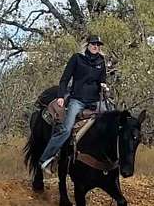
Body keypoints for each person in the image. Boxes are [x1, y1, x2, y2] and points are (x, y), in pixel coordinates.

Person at [39, 34, 107, 173]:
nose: (96, 47)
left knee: (111, 121)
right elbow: (65, 79)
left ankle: (107, 161)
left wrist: (104, 87)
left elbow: (102, 80)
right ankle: (46, 158)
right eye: (93, 44)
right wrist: (60, 96)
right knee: (66, 129)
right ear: (87, 45)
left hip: (95, 100)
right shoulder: (77, 58)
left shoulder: (101, 61)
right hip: (78, 100)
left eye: (98, 45)